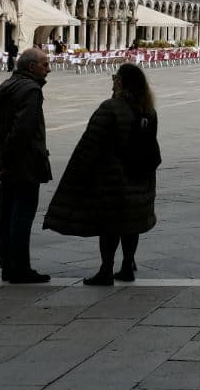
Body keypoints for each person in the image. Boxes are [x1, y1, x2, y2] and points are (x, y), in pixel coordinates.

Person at [43, 64, 160, 286]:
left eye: (115, 77)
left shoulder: (111, 108)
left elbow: (90, 145)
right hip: (141, 176)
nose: (112, 81)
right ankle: (127, 265)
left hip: (113, 178)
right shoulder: (148, 110)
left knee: (110, 225)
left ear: (121, 83)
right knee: (132, 222)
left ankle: (106, 270)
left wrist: (77, 173)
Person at [0, 48, 54, 284]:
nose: (49, 69)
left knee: (5, 215)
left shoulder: (6, 85)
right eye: (45, 64)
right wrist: (4, 158)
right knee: (21, 216)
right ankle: (19, 268)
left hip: (9, 162)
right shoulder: (31, 90)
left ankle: (8, 266)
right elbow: (22, 130)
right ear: (31, 67)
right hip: (24, 164)